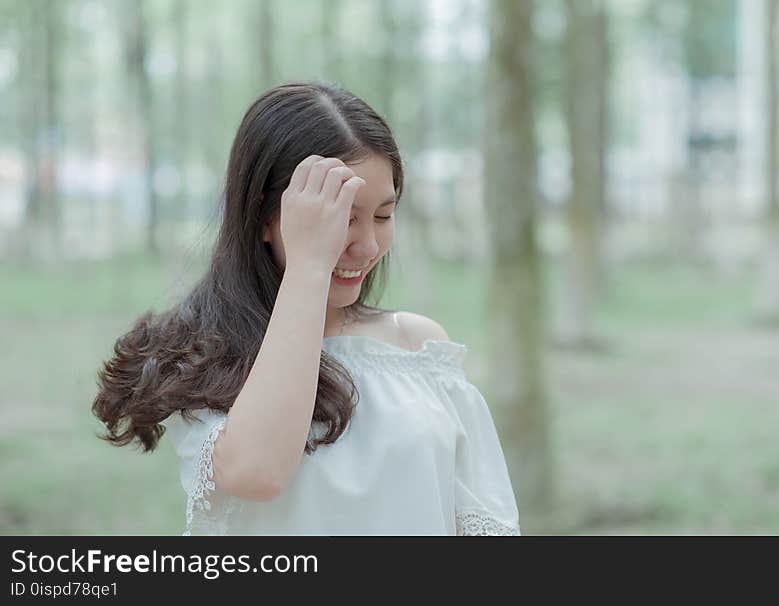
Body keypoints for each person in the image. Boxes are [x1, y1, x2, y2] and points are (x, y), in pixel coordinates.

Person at [91, 81, 520, 536]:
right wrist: (309, 266)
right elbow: (258, 472)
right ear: (264, 218)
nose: (369, 245)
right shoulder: (203, 358)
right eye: (342, 218)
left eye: (382, 215)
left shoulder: (419, 347)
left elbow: (483, 523)